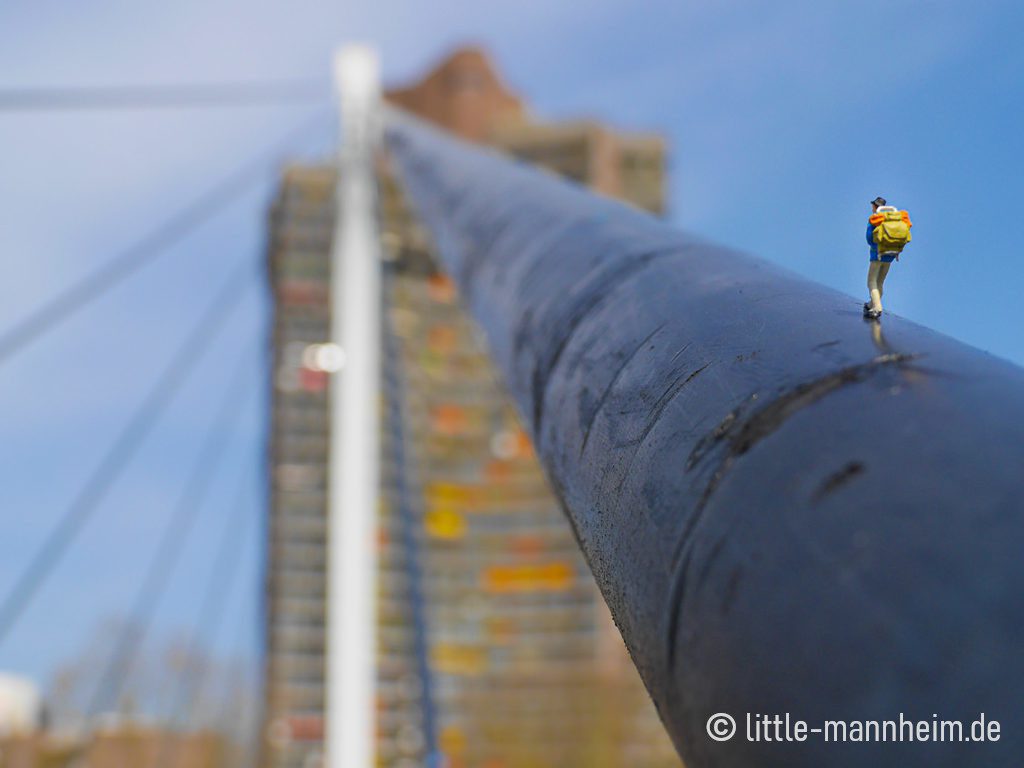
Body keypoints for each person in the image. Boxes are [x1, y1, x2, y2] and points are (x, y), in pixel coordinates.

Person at [864, 196, 912, 319]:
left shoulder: (875, 219)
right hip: (890, 256)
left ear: (875, 206)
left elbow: (869, 239)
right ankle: (871, 304)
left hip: (877, 255)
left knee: (871, 282)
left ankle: (877, 307)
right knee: (880, 282)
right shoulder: (894, 220)